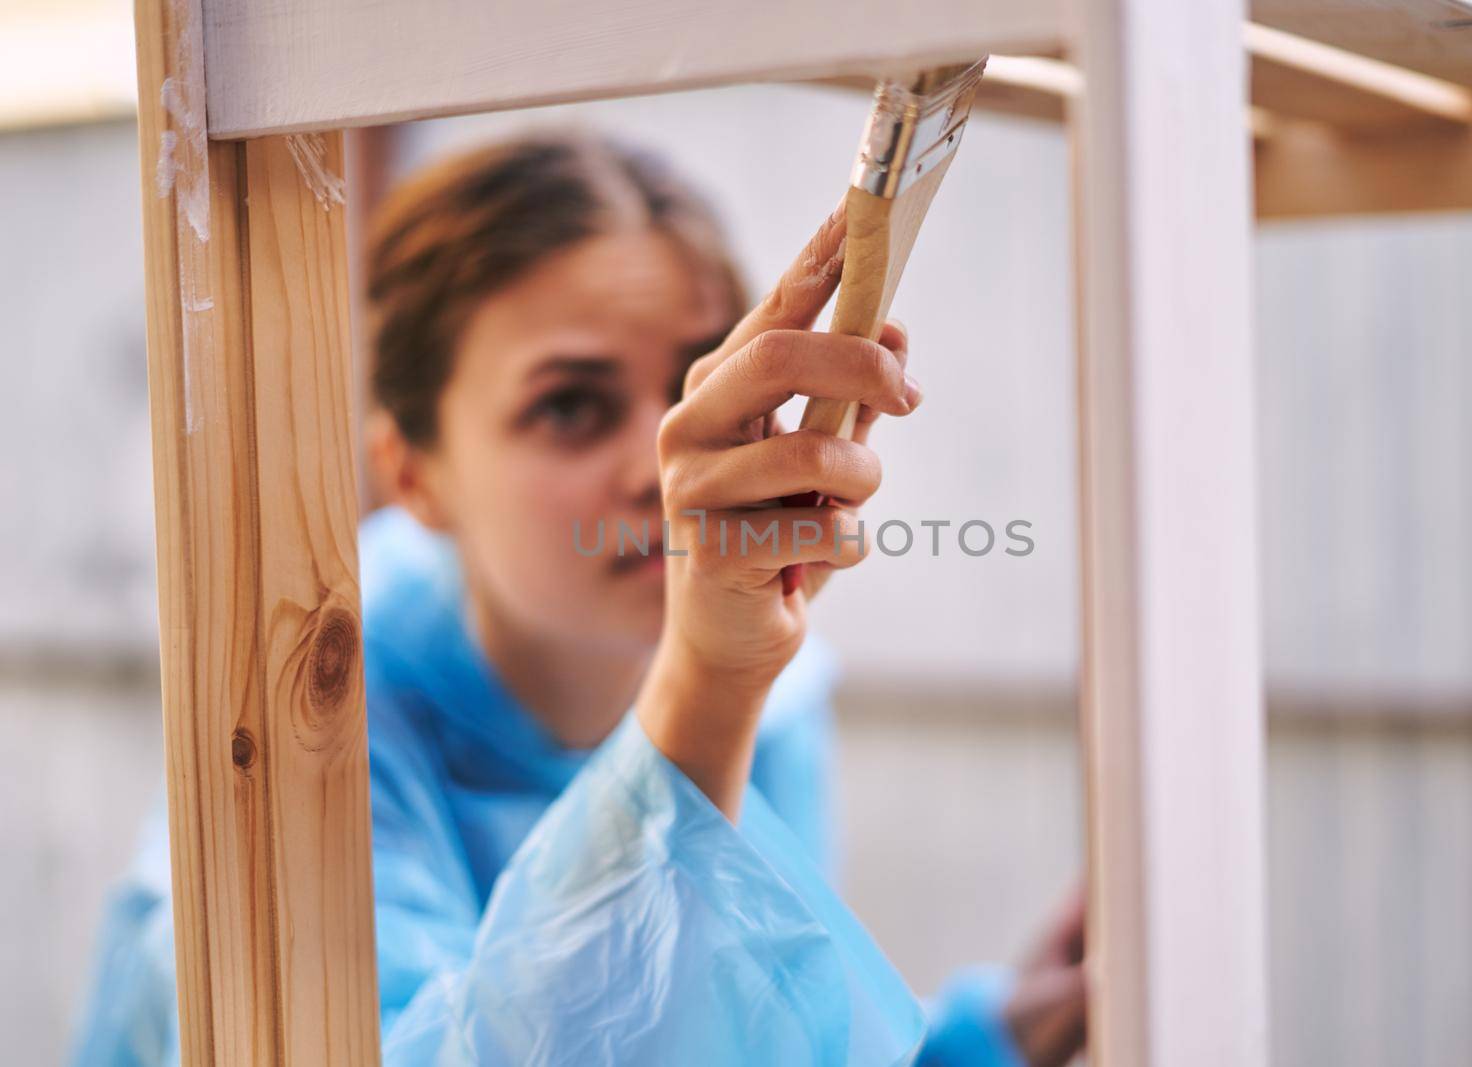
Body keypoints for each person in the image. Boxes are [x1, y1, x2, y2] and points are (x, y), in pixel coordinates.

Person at [73, 131, 1085, 1066]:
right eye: (569, 404)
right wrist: (709, 678)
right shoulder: (301, 709)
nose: (661, 466)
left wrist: (985, 1039)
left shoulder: (775, 696)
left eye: (696, 388)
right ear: (412, 472)